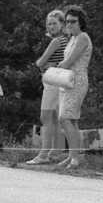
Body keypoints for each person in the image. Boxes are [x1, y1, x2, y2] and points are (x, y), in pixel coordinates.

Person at [26, 10, 69, 165]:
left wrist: (42, 63)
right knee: (56, 119)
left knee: (45, 117)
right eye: (49, 24)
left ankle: (43, 154)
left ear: (62, 24)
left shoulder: (56, 41)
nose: (51, 26)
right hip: (61, 81)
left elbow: (40, 62)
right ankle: (55, 153)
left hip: (52, 82)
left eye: (54, 23)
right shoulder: (66, 40)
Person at [56, 5, 93, 169]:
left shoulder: (83, 37)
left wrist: (56, 67)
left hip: (77, 81)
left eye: (73, 21)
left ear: (81, 22)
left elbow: (69, 61)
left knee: (64, 118)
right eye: (67, 21)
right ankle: (73, 157)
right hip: (67, 80)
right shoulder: (72, 38)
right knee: (71, 119)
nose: (69, 24)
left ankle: (75, 158)